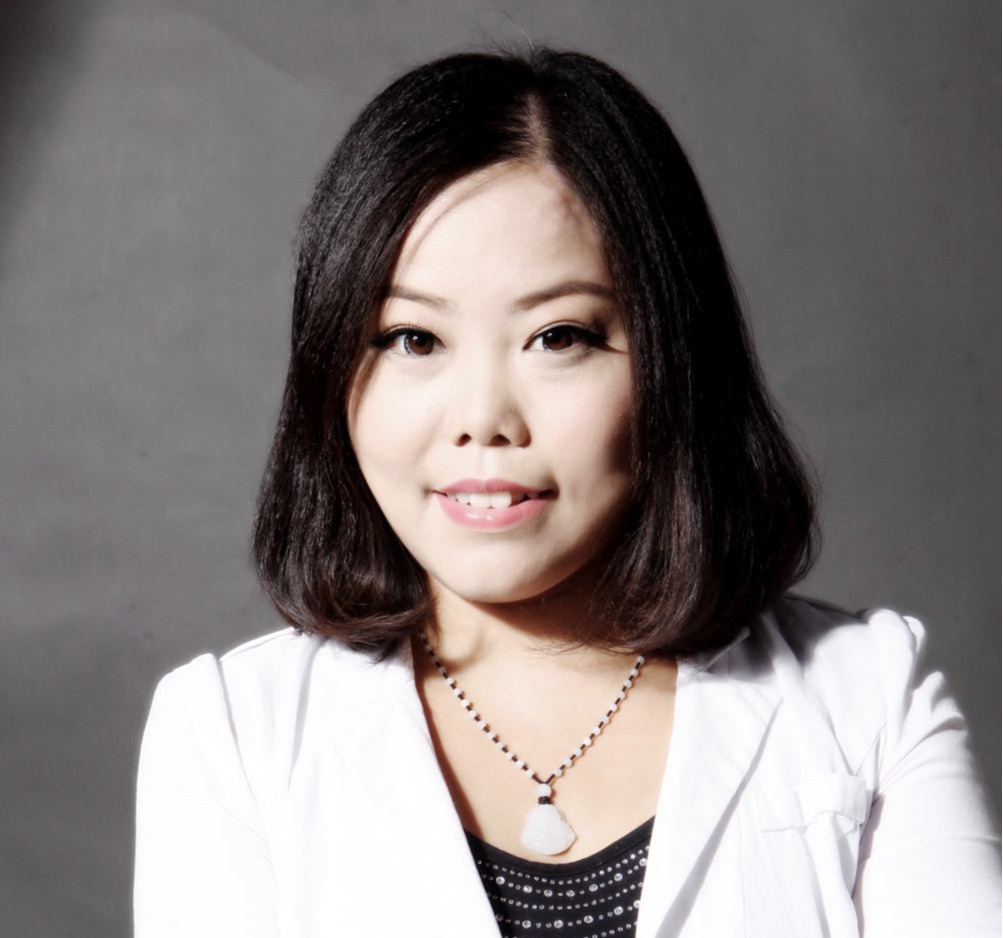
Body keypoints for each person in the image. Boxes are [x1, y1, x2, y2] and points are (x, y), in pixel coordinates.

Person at [133, 46, 1001, 938]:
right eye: (412, 339)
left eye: (558, 337)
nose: (482, 418)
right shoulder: (232, 733)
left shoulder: (868, 695)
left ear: (673, 360)